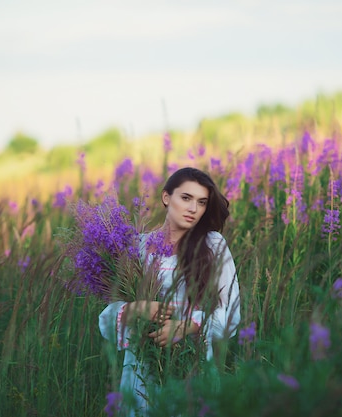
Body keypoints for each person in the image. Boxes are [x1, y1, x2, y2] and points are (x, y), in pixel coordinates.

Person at [98, 167, 241, 415]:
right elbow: (107, 319)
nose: (193, 209)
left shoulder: (212, 244)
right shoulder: (136, 247)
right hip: (141, 374)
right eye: (186, 198)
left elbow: (230, 317)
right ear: (166, 198)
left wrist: (187, 326)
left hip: (191, 371)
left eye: (201, 202)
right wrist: (136, 309)